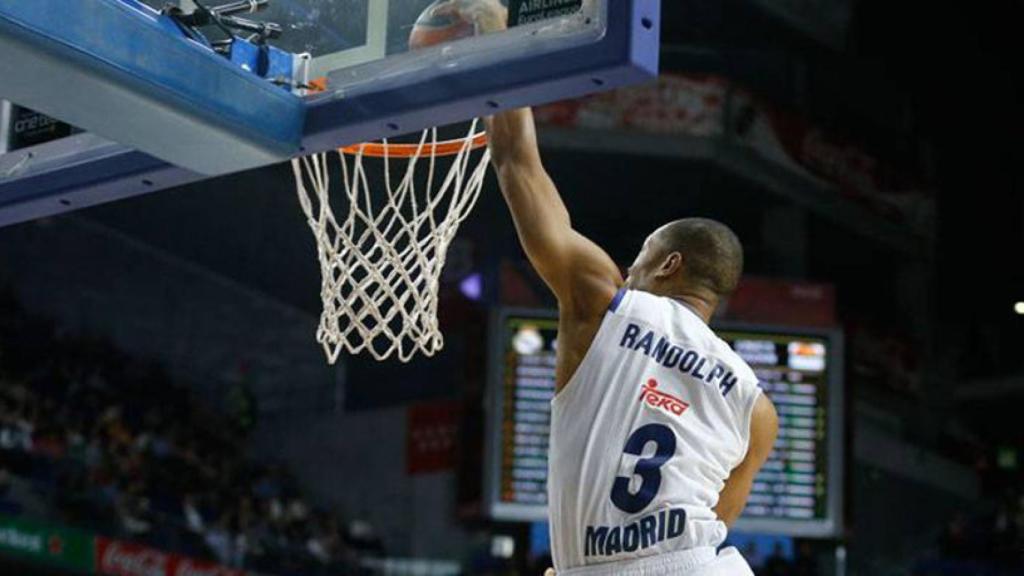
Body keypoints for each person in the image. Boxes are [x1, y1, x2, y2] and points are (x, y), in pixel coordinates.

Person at [436, 2, 780, 575]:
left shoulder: (606, 302)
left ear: (669, 263)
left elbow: (517, 163)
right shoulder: (758, 409)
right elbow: (717, 521)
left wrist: (492, 32)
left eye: (641, 253)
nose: (630, 264)